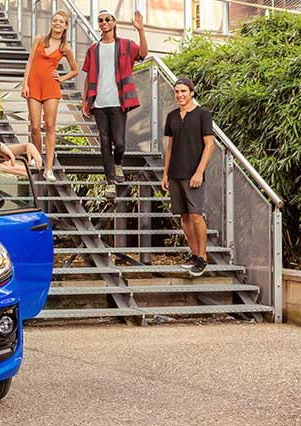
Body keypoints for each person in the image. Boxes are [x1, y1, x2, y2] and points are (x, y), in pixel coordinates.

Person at [80, 9, 148, 199]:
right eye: (100, 20)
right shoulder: (93, 49)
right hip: (99, 102)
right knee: (104, 142)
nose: (104, 22)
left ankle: (118, 165)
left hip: (118, 101)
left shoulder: (126, 45)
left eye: (107, 19)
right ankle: (110, 182)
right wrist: (85, 101)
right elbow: (88, 77)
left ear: (114, 22)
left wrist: (141, 30)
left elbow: (143, 53)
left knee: (119, 143)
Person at [160, 78, 214, 277]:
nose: (180, 95)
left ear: (191, 92)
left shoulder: (203, 114)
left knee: (196, 215)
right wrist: (165, 173)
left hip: (193, 174)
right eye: (177, 91)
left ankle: (203, 258)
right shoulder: (172, 116)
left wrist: (199, 172)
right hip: (175, 173)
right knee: (183, 216)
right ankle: (194, 253)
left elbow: (209, 144)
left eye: (183, 91)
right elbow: (170, 147)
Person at [21, 10, 80, 182]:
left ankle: (48, 168)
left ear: (66, 26)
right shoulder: (39, 39)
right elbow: (30, 62)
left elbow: (75, 70)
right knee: (34, 126)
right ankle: (37, 158)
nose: (57, 23)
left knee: (50, 125)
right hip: (33, 84)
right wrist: (25, 83)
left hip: (51, 87)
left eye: (61, 21)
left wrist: (61, 78)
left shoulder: (65, 47)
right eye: (55, 20)